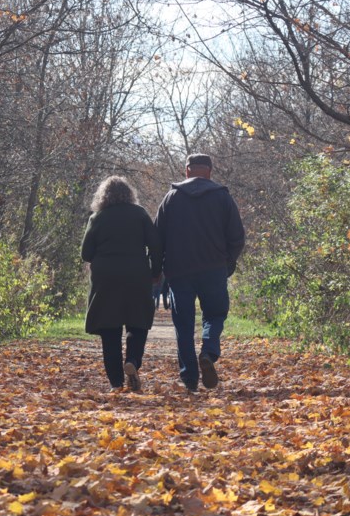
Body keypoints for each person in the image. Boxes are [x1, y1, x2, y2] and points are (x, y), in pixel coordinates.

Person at [154, 154, 245, 393]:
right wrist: (228, 263)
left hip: (179, 272)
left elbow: (156, 238)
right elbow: (237, 237)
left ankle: (190, 378)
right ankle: (209, 351)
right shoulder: (222, 197)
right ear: (210, 171)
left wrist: (157, 269)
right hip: (213, 269)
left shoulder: (171, 198)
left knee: (183, 325)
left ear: (187, 171)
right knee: (215, 315)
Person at [81, 176, 162, 392]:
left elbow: (86, 253)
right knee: (138, 322)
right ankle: (133, 361)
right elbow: (155, 245)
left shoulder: (97, 217)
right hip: (137, 274)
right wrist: (156, 272)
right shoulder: (140, 214)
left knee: (110, 330)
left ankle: (116, 382)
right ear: (129, 193)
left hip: (106, 277)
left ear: (102, 195)